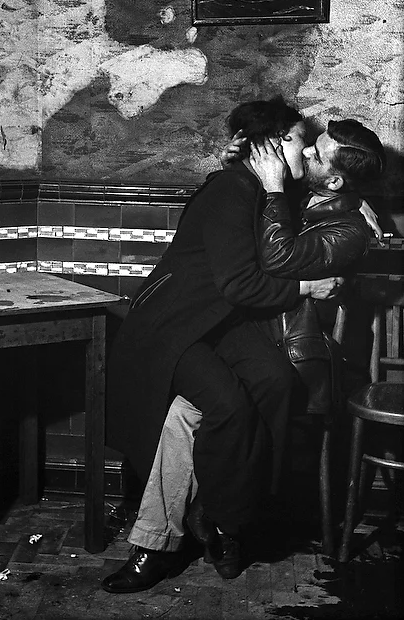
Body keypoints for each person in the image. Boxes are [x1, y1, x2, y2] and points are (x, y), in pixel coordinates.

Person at [101, 98, 386, 593]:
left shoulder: (291, 194)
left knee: (272, 382)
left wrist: (353, 200)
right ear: (274, 146)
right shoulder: (241, 187)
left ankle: (220, 518)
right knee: (214, 406)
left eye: (316, 152)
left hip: (232, 327)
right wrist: (307, 286)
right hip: (180, 325)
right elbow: (247, 278)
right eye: (305, 142)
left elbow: (293, 222)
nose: (308, 153)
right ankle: (160, 543)